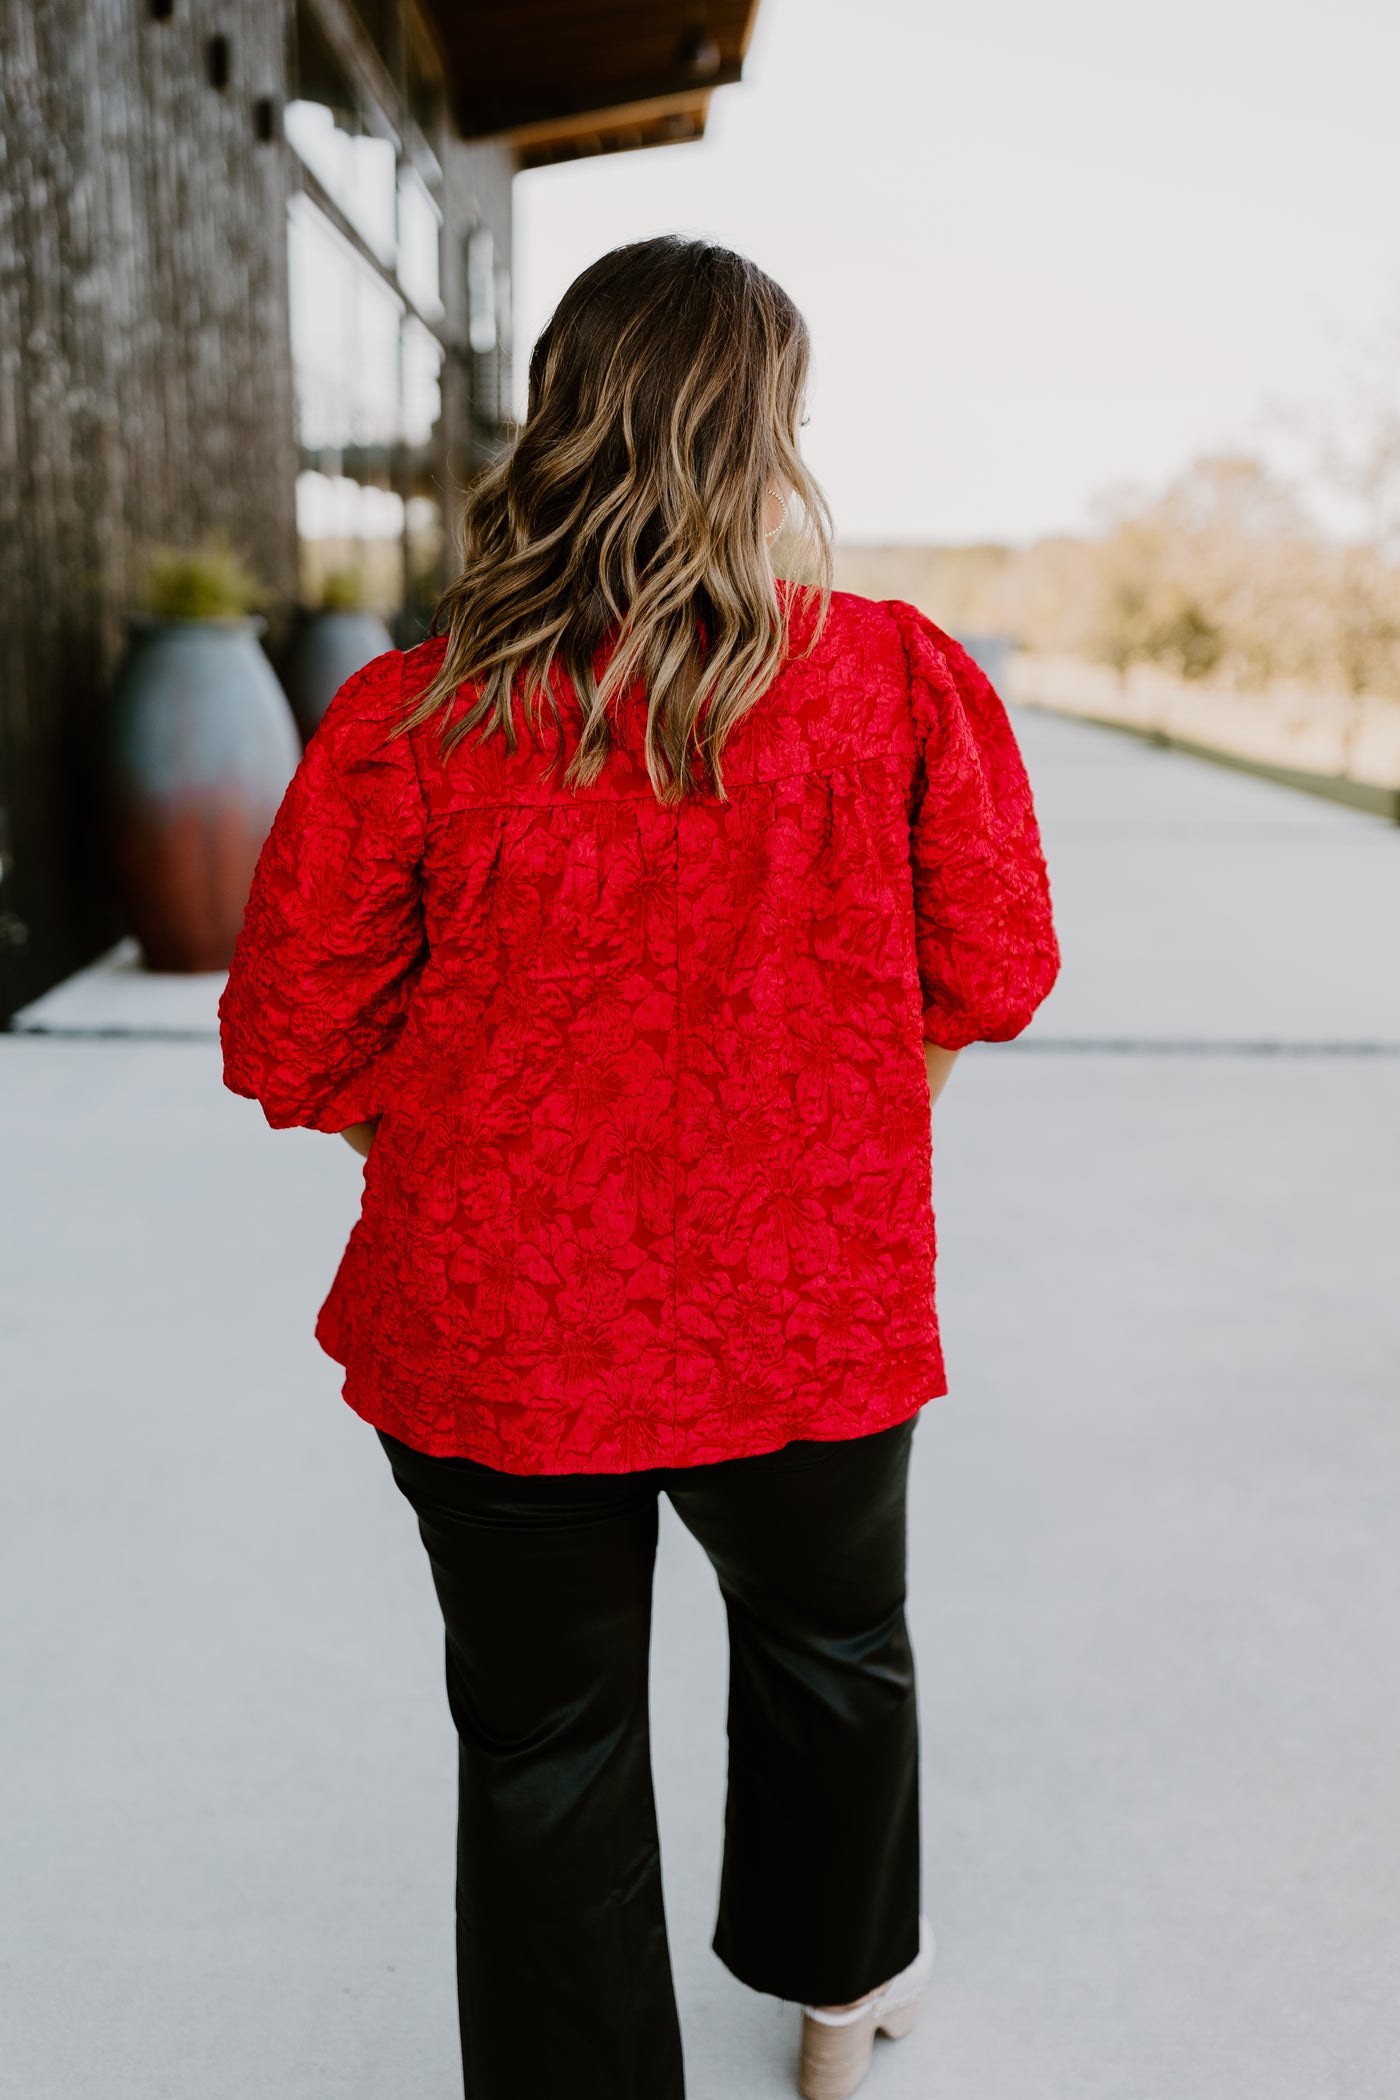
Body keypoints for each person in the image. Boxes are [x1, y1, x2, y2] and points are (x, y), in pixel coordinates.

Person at [220, 235, 1059, 2100]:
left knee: (544, 1748)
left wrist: (444, 1146)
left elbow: (289, 1033)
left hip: (499, 1324)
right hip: (808, 1304)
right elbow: (991, 966)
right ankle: (843, 2004)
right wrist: (849, 1123)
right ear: (766, 436)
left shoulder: (414, 714)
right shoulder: (899, 684)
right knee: (837, 1648)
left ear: (560, 426)